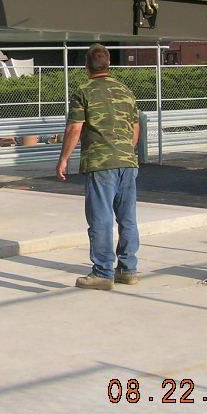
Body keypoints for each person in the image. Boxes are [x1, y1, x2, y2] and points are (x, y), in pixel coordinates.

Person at [56, 44, 140, 291]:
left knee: (101, 218)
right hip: (127, 162)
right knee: (127, 218)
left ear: (86, 66)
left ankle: (102, 273)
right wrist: (125, 151)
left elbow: (75, 128)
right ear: (109, 63)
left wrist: (64, 159)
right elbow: (135, 128)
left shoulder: (84, 92)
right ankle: (127, 269)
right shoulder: (125, 91)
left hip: (100, 163)